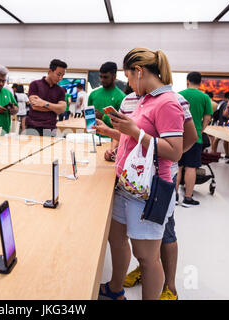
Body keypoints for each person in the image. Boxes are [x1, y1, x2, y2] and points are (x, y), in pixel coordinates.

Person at [95, 48, 184, 300]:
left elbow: (175, 152)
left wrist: (135, 132)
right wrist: (116, 131)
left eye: (129, 78)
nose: (130, 85)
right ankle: (115, 289)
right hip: (129, 184)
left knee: (146, 257)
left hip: (149, 190)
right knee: (117, 238)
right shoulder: (146, 99)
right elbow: (137, 139)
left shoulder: (167, 102)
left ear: (139, 71)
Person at [116, 88, 198, 300]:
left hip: (158, 180)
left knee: (164, 233)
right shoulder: (130, 99)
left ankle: (169, 287)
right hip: (135, 177)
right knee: (144, 244)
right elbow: (128, 135)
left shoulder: (173, 100)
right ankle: (144, 271)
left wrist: (168, 158)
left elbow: (188, 139)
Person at [176, 72, 213, 207]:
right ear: (200, 83)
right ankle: (188, 198)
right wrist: (200, 130)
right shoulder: (204, 97)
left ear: (187, 81)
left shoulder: (178, 95)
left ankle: (174, 197)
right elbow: (208, 117)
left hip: (178, 136)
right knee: (191, 167)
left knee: (177, 166)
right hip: (195, 138)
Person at [26, 59, 67, 136]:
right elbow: (35, 106)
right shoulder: (34, 84)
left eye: (63, 75)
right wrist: (55, 108)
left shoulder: (60, 90)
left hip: (51, 128)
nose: (60, 78)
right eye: (58, 74)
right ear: (50, 71)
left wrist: (44, 103)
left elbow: (62, 109)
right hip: (33, 127)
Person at [88, 62, 126, 133]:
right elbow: (89, 122)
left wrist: (103, 116)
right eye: (100, 76)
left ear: (114, 76)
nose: (102, 80)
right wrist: (87, 116)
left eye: (105, 77)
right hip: (93, 136)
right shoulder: (93, 94)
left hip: (112, 139)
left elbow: (122, 124)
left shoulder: (122, 97)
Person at [211, 91, 229, 157]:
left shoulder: (222, 103)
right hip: (224, 123)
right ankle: (214, 152)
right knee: (220, 139)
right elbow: (225, 114)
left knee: (221, 139)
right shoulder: (226, 104)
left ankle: (214, 152)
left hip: (220, 122)